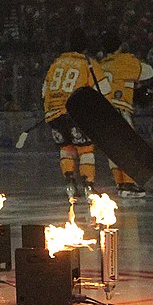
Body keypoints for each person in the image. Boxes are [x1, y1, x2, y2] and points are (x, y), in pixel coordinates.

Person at [42, 28, 108, 201]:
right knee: (85, 149)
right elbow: (104, 90)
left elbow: (44, 91)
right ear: (85, 46)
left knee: (66, 148)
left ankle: (70, 183)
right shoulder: (88, 63)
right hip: (75, 113)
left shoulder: (56, 63)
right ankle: (88, 185)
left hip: (53, 113)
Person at [98, 31, 153, 196]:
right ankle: (129, 184)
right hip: (119, 109)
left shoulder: (101, 64)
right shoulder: (125, 61)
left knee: (113, 150)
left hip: (102, 111)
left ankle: (121, 184)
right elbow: (148, 72)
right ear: (120, 46)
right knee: (129, 149)